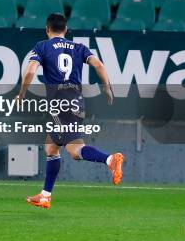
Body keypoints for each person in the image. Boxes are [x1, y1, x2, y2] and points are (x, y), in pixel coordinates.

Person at [18, 13, 124, 209]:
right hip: (75, 100)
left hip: (59, 102)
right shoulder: (78, 47)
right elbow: (99, 65)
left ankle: (110, 159)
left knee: (74, 149)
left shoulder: (42, 46)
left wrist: (22, 92)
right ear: (65, 30)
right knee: (51, 147)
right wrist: (107, 86)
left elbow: (31, 70)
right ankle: (45, 195)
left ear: (47, 29)